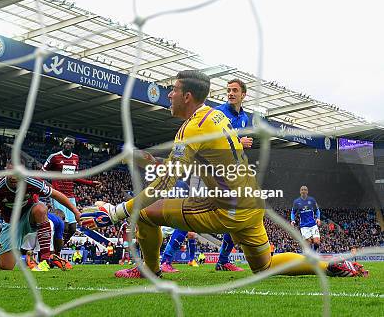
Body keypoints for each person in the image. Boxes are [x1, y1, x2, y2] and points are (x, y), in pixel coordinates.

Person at [81, 70, 367, 279]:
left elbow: (165, 183)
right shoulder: (216, 116)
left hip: (226, 207)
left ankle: (150, 270)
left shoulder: (193, 128)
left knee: (143, 214)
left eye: (173, 90)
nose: (169, 94)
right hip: (251, 203)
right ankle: (330, 265)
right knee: (264, 265)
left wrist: (117, 212)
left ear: (187, 96)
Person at [0, 164, 80, 272]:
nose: (13, 177)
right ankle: (30, 256)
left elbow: (55, 194)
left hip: (29, 217)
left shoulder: (31, 181)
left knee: (41, 208)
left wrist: (75, 211)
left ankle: (45, 259)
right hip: (11, 224)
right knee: (5, 267)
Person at [214, 78, 252, 272]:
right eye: (228, 90)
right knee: (192, 210)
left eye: (235, 90)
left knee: (237, 214)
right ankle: (167, 260)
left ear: (243, 95)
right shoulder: (218, 112)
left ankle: (222, 261)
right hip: (212, 169)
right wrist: (239, 141)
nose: (230, 93)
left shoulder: (245, 118)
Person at [42, 136, 100, 244]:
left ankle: (59, 246)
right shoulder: (54, 157)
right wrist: (51, 185)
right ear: (62, 144)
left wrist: (91, 184)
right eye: (66, 142)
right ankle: (54, 249)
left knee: (73, 228)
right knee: (64, 226)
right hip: (58, 195)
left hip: (70, 196)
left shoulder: (75, 158)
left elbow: (75, 177)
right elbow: (42, 172)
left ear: (74, 146)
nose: (68, 145)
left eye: (70, 143)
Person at [291, 185, 321, 252]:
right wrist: (292, 220)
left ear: (307, 191)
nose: (303, 191)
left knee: (317, 242)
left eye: (305, 190)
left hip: (313, 224)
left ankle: (314, 252)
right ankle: (310, 255)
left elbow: (317, 210)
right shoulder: (296, 202)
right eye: (302, 190)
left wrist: (318, 218)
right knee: (308, 243)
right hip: (304, 226)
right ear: (300, 191)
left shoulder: (312, 200)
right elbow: (293, 212)